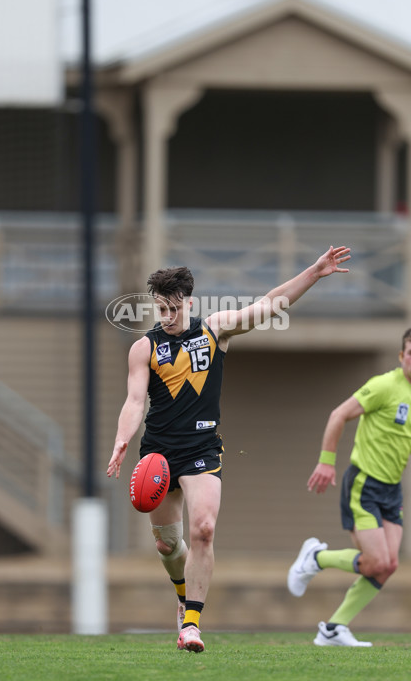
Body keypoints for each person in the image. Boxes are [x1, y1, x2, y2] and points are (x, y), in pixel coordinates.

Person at [107, 245, 351, 652]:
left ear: (188, 302)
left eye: (172, 308)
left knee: (203, 529)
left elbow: (269, 305)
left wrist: (313, 271)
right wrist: (121, 441)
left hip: (202, 448)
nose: (165, 317)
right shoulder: (144, 348)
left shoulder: (215, 329)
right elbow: (135, 401)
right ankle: (182, 592)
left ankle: (191, 624)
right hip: (159, 454)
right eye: (159, 310)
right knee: (168, 545)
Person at [287, 325, 411, 647]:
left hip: (392, 490)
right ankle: (316, 559)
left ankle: (333, 629)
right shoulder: (384, 386)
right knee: (375, 562)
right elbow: (338, 415)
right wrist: (326, 461)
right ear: (402, 356)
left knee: (388, 566)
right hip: (364, 483)